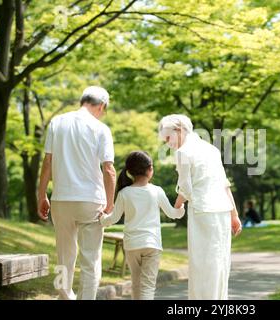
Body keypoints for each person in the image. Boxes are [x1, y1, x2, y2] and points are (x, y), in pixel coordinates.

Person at [37, 86, 116, 300]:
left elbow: (47, 163)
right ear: (101, 106)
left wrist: (41, 195)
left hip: (61, 200)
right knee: (90, 260)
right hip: (91, 201)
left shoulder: (57, 122)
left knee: (64, 256)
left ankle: (64, 296)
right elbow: (109, 170)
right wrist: (110, 205)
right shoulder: (101, 129)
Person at [158, 114, 242, 300]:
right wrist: (234, 215)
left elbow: (185, 188)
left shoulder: (183, 153)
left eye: (168, 138)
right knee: (220, 261)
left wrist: (175, 209)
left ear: (179, 131)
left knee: (202, 263)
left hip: (202, 211)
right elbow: (224, 184)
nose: (168, 144)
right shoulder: (211, 149)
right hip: (221, 210)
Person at [99, 151, 185, 300]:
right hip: (152, 244)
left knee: (136, 283)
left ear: (131, 171)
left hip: (132, 245)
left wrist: (102, 219)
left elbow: (113, 218)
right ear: (150, 169)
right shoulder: (156, 191)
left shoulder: (124, 193)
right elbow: (173, 213)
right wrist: (181, 207)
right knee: (147, 287)